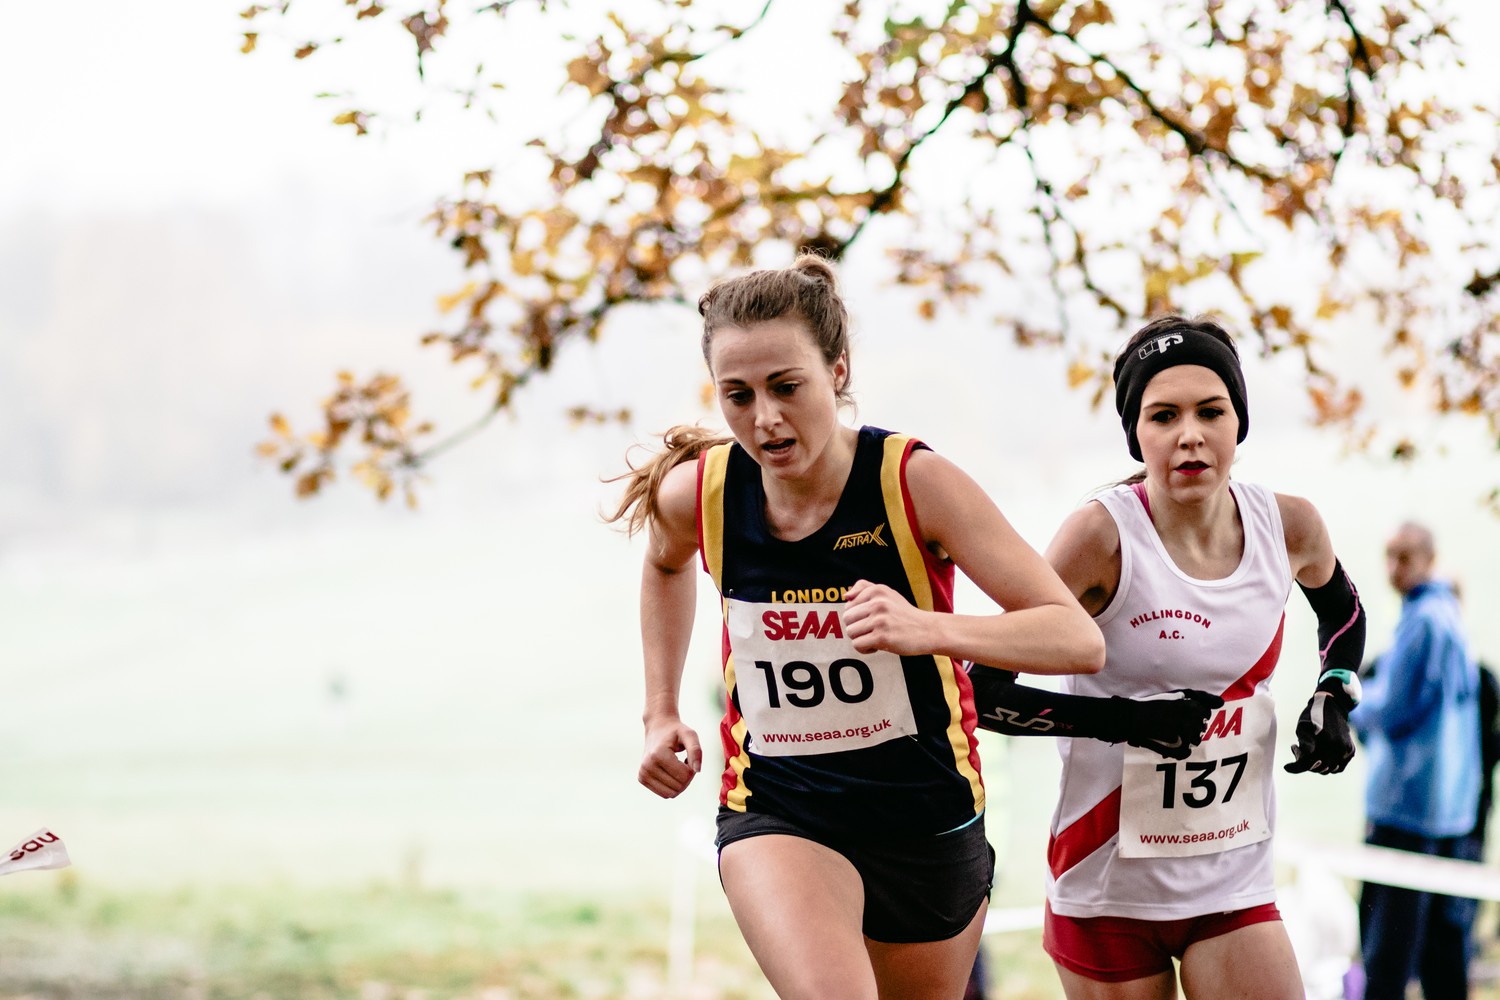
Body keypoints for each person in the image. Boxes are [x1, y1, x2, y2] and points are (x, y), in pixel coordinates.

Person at [606, 254, 1111, 1000]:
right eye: (738, 395)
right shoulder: (703, 495)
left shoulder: (913, 482)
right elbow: (664, 563)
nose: (764, 419)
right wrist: (660, 711)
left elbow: (1075, 638)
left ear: (837, 370)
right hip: (779, 807)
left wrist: (927, 630)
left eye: (786, 387)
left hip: (927, 819)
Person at [1037, 314, 1367, 998]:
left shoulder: (1289, 525)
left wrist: (1333, 693)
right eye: (1164, 416)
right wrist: (1127, 722)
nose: (1190, 433)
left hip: (1232, 880)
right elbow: (984, 691)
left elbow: (1344, 611)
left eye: (1211, 411)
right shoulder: (1098, 538)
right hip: (1106, 888)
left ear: (1238, 424)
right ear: (1137, 434)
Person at [1351, 522, 1481, 1000]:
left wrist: (1346, 699)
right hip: (1450, 811)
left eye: (1404, 557)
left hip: (1407, 807)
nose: (1393, 569)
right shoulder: (1450, 616)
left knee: (1386, 953)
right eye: (1389, 556)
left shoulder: (1421, 621)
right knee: (1442, 954)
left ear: (1429, 559)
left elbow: (1393, 707)